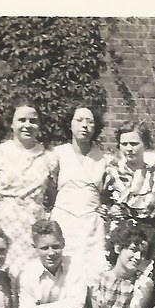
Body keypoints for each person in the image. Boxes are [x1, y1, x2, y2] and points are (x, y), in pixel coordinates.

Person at [0, 97, 57, 277]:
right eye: (22, 120)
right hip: (2, 226)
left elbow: (52, 198)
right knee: (1, 278)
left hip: (33, 228)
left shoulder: (49, 158)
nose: (27, 125)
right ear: (11, 124)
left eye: (33, 121)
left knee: (30, 279)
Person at [50, 105, 110, 285]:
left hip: (91, 224)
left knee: (93, 272)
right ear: (70, 125)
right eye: (79, 120)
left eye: (90, 122)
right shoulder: (58, 154)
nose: (85, 125)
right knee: (63, 269)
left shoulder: (104, 159)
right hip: (64, 220)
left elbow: (107, 194)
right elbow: (49, 189)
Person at [103, 121, 155, 257]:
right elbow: (103, 201)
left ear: (145, 145)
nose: (129, 148)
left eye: (134, 144)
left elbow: (151, 209)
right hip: (120, 234)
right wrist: (110, 209)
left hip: (147, 235)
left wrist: (124, 208)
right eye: (124, 144)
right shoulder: (112, 173)